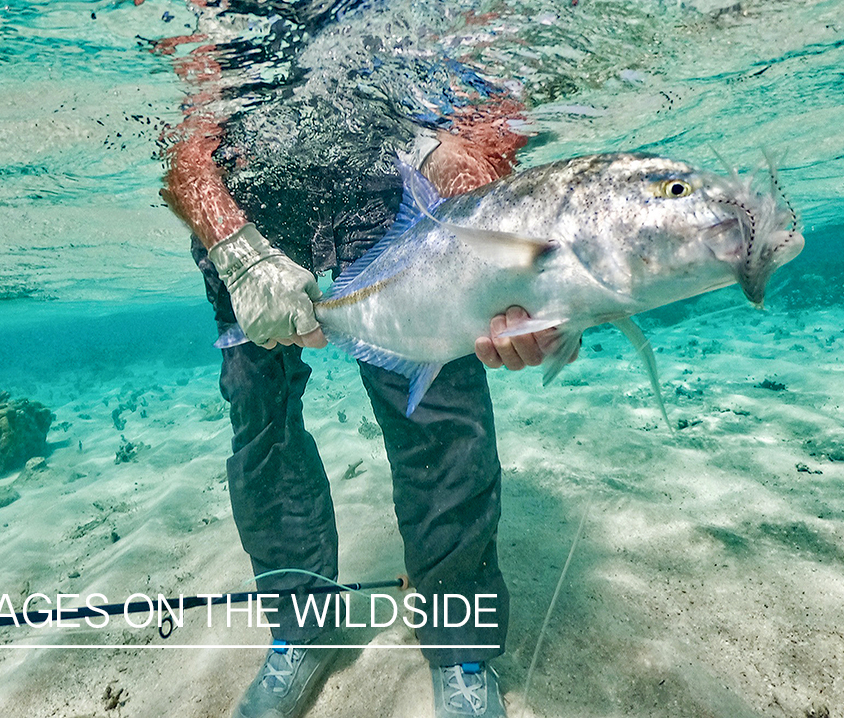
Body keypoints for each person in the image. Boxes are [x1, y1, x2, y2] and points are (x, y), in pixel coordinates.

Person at [159, 44, 576, 718]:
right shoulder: (218, 7)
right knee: (255, 403)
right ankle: (303, 626)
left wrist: (529, 286)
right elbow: (184, 158)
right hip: (249, 199)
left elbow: (488, 129)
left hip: (387, 184)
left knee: (438, 408)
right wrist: (234, 250)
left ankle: (459, 641)